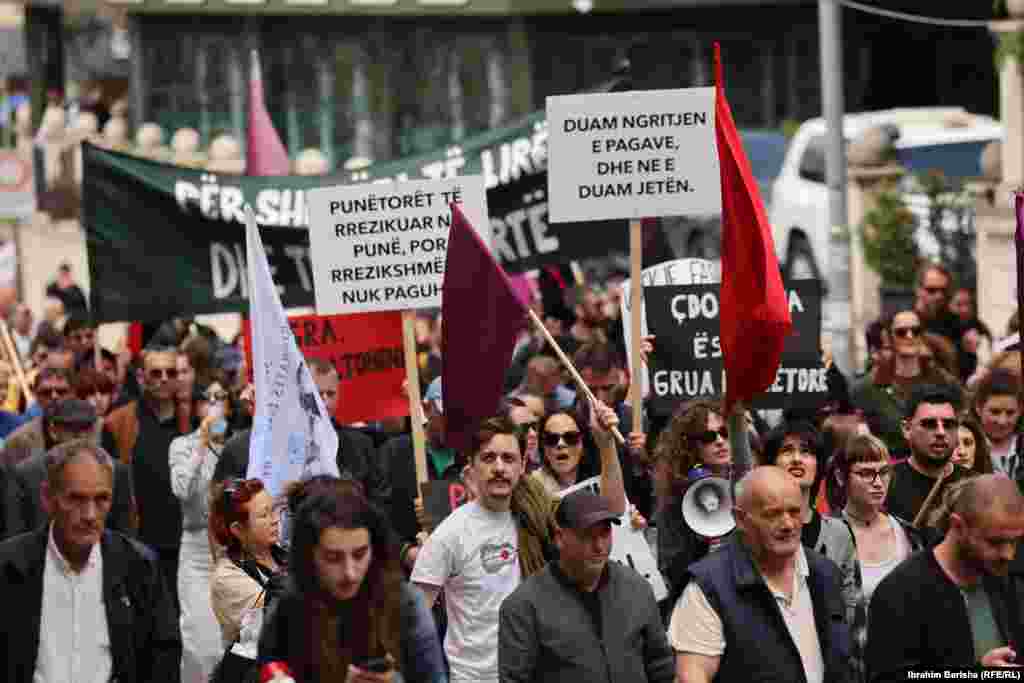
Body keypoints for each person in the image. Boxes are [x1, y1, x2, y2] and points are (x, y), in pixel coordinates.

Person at [412, 410, 625, 683]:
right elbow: (412, 621)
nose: (499, 467)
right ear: (472, 465)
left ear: (523, 464)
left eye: (509, 458)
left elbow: (611, 510)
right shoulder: (449, 535)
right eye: (488, 458)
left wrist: (606, 445)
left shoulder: (540, 511)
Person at [0, 439, 181, 683]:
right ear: (47, 497)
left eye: (101, 499)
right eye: (76, 499)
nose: (89, 515)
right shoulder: (8, 568)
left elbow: (163, 660)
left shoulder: (140, 569)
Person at [669, 467, 853, 683]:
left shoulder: (825, 573)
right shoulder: (708, 586)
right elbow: (692, 675)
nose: (788, 524)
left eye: (794, 512)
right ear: (740, 519)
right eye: (772, 514)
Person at [259, 478, 447, 683]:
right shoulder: (288, 609)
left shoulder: (404, 604)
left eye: (359, 554)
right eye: (333, 558)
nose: (350, 573)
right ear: (309, 556)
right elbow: (269, 669)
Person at [498, 488, 675, 683]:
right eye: (587, 535)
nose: (599, 546)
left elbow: (661, 666)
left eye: (605, 533)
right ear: (559, 538)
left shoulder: (636, 588)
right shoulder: (523, 607)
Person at [866, 474, 1024, 679]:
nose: (1008, 554)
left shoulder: (1008, 580)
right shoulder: (901, 592)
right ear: (958, 526)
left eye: (1014, 541)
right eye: (995, 542)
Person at [831, 433, 930, 670]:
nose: (878, 482)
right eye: (866, 473)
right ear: (841, 477)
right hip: (855, 667)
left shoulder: (910, 535)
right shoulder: (827, 537)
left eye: (884, 472)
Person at [104, 346, 188, 602]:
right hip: (139, 540)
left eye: (170, 372)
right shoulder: (119, 422)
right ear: (141, 377)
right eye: (156, 373)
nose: (163, 379)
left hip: (185, 544)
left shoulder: (193, 418)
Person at [170, 381, 235, 683]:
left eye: (220, 398)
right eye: (208, 399)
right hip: (196, 548)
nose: (215, 404)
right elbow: (181, 489)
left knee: (232, 639)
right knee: (199, 640)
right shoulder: (181, 445)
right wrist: (202, 445)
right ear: (198, 407)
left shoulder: (238, 445)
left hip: (232, 547)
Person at [653, 399, 738, 600]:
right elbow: (672, 569)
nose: (720, 441)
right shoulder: (675, 501)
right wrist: (701, 541)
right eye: (708, 437)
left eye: (724, 432)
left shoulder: (745, 486)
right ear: (690, 445)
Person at [12, 399, 135, 536]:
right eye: (71, 429)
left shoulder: (117, 471)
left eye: (86, 428)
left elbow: (125, 532)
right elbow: (15, 533)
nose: (80, 436)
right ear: (53, 431)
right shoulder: (27, 473)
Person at [851, 310, 959, 458]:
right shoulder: (865, 388)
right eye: (901, 332)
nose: (909, 336)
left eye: (916, 331)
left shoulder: (944, 383)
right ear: (890, 337)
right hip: (887, 467)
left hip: (937, 463)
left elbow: (962, 426)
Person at [209, 478, 288, 677]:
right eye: (264, 515)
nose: (275, 519)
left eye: (274, 510)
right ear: (238, 529)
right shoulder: (227, 577)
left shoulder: (285, 554)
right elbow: (278, 620)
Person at [886, 383, 966, 524]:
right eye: (929, 424)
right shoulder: (884, 484)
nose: (941, 432)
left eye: (948, 424)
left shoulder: (974, 486)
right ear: (906, 429)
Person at [1, 367, 74, 464]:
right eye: (46, 392)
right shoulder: (18, 440)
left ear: (72, 393)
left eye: (61, 392)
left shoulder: (92, 429)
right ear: (36, 395)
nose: (54, 396)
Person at [972, 368, 1021, 480]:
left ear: (1020, 410)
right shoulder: (964, 448)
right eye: (995, 412)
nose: (1002, 421)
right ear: (978, 408)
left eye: (1010, 413)